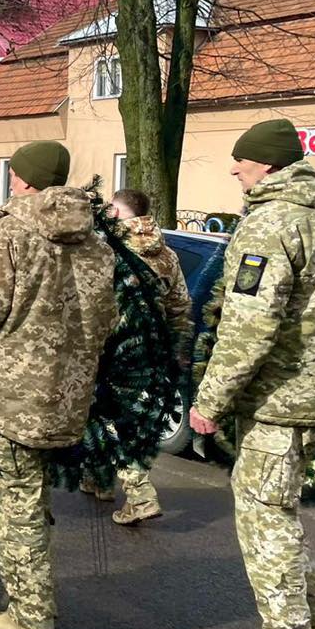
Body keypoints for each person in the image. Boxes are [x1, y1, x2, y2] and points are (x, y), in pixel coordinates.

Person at [189, 119, 315, 629]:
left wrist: (210, 400)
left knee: (263, 515)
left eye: (242, 159)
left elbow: (249, 326)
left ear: (268, 164)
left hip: (279, 397)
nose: (234, 168)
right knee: (278, 508)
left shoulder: (270, 224)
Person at [0, 140, 117, 629]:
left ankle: (31, 617)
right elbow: (109, 319)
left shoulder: (5, 236)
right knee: (34, 499)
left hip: (13, 397)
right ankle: (28, 597)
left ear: (21, 179)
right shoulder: (97, 243)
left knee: (19, 502)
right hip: (69, 394)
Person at [88, 187, 192, 525]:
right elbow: (180, 305)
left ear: (116, 213)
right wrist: (174, 347)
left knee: (110, 417)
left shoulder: (105, 249)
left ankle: (140, 494)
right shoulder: (167, 254)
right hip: (149, 346)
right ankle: (100, 478)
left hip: (111, 345)